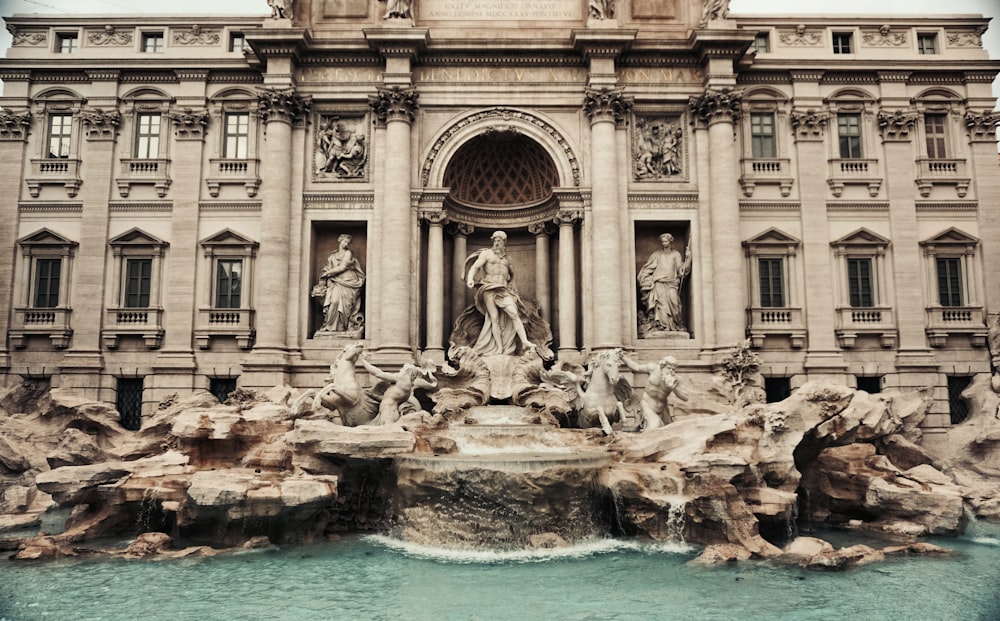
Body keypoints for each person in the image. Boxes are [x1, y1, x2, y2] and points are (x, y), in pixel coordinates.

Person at [465, 231, 536, 356]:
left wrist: (512, 284)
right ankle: (499, 348)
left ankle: (525, 341)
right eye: (495, 240)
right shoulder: (486, 254)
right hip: (488, 287)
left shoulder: (507, 259)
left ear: (504, 242)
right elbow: (475, 267)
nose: (497, 243)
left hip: (503, 290)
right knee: (494, 318)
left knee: (514, 313)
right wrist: (470, 279)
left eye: (500, 240)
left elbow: (513, 275)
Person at [359, 354, 437, 425]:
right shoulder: (408, 386)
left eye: (402, 369)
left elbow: (379, 374)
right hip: (388, 412)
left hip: (388, 412)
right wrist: (373, 396)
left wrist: (363, 361)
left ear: (408, 371)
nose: (400, 371)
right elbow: (391, 397)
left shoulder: (402, 378)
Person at [637, 233, 691, 334]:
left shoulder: (676, 254)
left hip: (672, 283)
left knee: (675, 304)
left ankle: (676, 325)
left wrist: (688, 259)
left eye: (665, 241)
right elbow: (646, 269)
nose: (664, 243)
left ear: (670, 241)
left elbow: (682, 271)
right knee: (661, 306)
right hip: (659, 283)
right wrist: (649, 278)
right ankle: (662, 327)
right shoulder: (657, 254)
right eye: (662, 241)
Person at [621, 353, 688, 430]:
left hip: (663, 410)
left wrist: (674, 388)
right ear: (662, 367)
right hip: (648, 406)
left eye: (673, 369)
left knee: (668, 431)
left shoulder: (676, 379)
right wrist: (622, 357)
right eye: (669, 368)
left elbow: (686, 397)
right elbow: (636, 367)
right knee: (654, 427)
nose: (671, 371)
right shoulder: (653, 369)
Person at [314, 234, 365, 334]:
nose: (346, 244)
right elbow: (327, 268)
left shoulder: (348, 253)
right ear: (340, 240)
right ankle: (330, 326)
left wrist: (328, 273)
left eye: (348, 243)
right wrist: (324, 276)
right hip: (336, 282)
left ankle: (342, 327)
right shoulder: (332, 256)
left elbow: (342, 267)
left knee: (346, 306)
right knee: (334, 302)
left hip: (348, 280)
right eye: (344, 241)